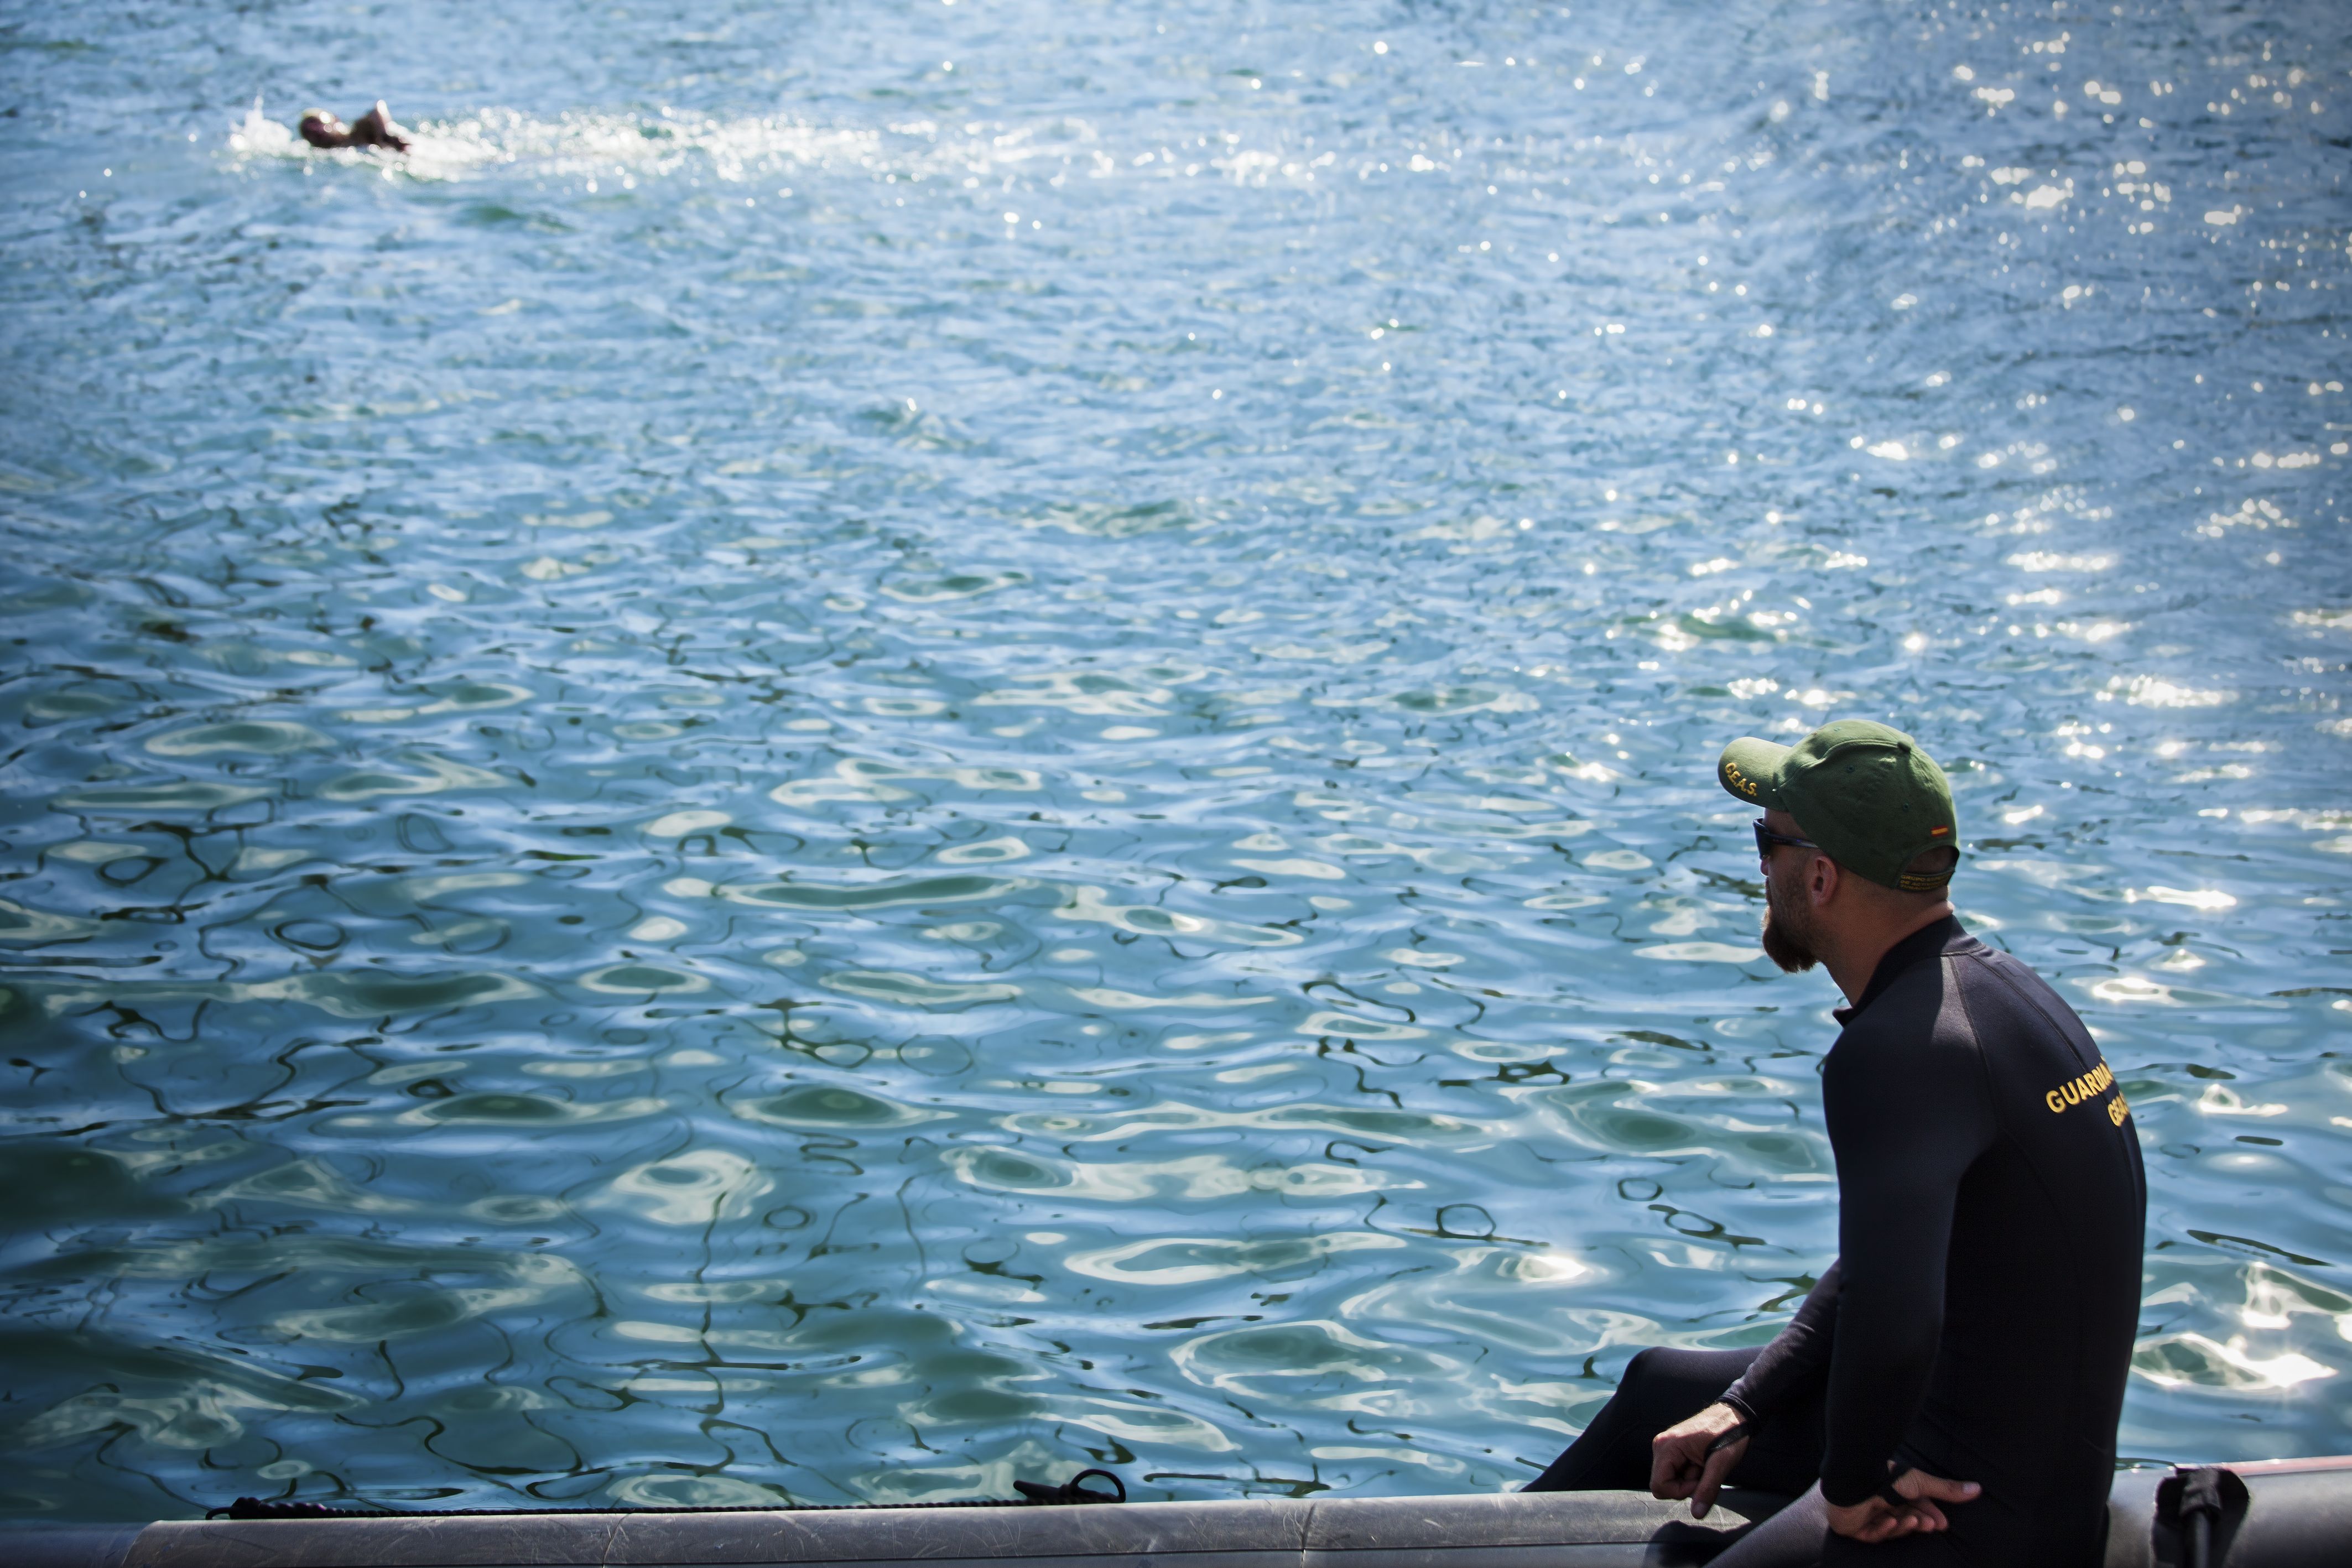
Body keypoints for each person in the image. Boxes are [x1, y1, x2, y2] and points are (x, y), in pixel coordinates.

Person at [1526, 719, 2146, 1566]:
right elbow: (1878, 1266)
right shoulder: (2004, 995)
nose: (1761, 869)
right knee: (1658, 1388)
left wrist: (1851, 1485)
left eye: (1767, 843)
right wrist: (1746, 1403)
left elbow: (1898, 1320)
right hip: (1977, 1428)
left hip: (1978, 1510)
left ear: (1820, 875)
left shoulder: (1898, 1051)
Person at [299, 101, 412, 152]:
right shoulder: (327, 156)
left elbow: (378, 107)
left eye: (316, 123)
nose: (314, 130)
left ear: (335, 119)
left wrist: (386, 135)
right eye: (307, 132)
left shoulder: (359, 131)